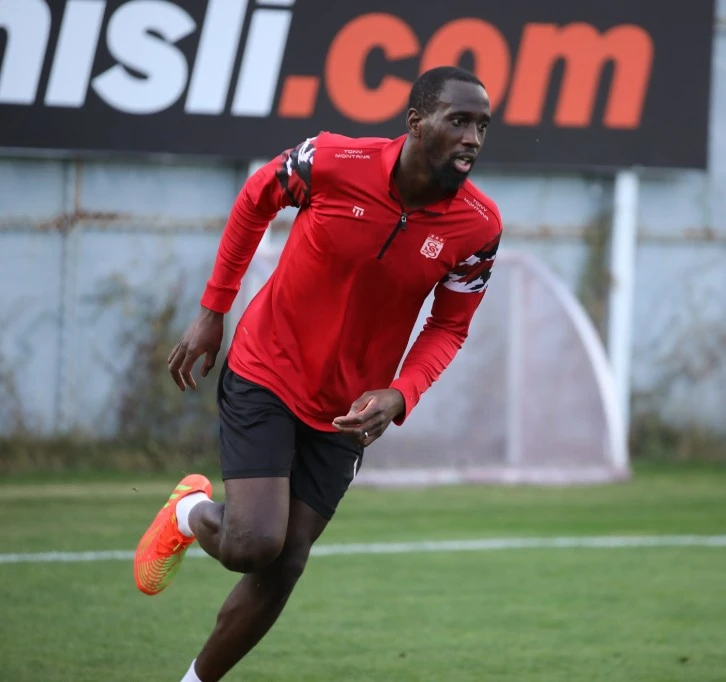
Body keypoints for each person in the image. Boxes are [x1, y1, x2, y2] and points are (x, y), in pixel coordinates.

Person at [134, 65, 503, 682]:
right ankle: (187, 512)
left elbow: (449, 326)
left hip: (346, 411)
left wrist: (401, 393)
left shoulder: (479, 226)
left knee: (286, 562)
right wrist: (213, 309)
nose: (472, 138)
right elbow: (256, 197)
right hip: (268, 369)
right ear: (416, 122)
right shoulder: (331, 160)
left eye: (483, 126)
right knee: (254, 544)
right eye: (458, 120)